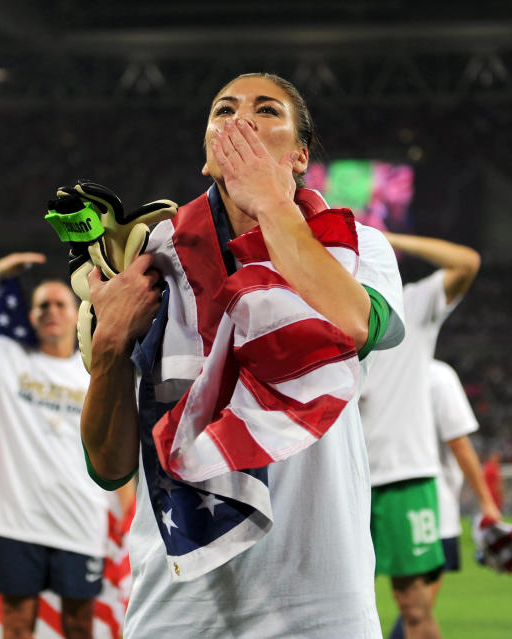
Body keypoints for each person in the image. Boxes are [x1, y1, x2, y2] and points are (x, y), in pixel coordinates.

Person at [79, 73, 404, 638]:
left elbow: (351, 324)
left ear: (299, 155)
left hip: (320, 600)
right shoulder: (152, 264)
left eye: (267, 110)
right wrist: (109, 347)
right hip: (178, 605)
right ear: (208, 154)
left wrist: (270, 204)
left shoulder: (354, 248)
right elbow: (108, 469)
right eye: (224, 109)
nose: (241, 119)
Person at [0, 253, 129, 639]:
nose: (51, 311)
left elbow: (113, 445)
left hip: (80, 519)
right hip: (17, 521)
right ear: (31, 316)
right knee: (17, 627)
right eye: (42, 306)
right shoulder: (7, 359)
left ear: (76, 313)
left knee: (79, 627)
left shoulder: (96, 373)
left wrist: (125, 510)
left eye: (59, 304)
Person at [359, 233, 480, 639]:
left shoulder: (409, 304)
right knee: (327, 605)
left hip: (402, 477)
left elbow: (466, 262)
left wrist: (387, 236)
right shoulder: (317, 307)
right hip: (343, 481)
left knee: (413, 606)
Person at [429, 359, 502, 604]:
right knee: (418, 607)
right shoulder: (437, 375)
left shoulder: (364, 364)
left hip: (365, 500)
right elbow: (459, 443)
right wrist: (487, 502)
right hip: (430, 503)